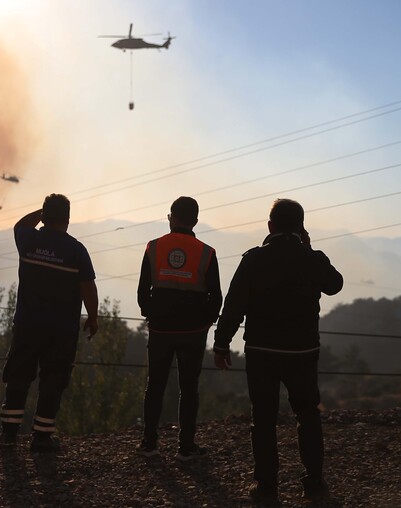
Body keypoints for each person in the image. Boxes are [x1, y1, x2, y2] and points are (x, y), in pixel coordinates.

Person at [213, 199, 343, 503]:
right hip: (302, 351)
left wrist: (221, 343)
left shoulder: (254, 259)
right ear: (301, 226)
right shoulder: (310, 258)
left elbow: (233, 306)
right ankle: (314, 484)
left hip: (262, 351)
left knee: (264, 418)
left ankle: (267, 487)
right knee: (308, 415)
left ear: (270, 226)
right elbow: (335, 284)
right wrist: (309, 251)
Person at [0, 194, 99, 452]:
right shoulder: (76, 251)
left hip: (27, 325)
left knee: (19, 376)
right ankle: (41, 437)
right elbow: (88, 287)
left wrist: (40, 213)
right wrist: (93, 317)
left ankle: (9, 434)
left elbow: (20, 225)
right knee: (53, 380)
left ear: (44, 216)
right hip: (61, 330)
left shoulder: (28, 240)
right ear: (67, 219)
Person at [136, 196, 222, 461]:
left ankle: (149, 444)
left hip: (160, 331)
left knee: (155, 386)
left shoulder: (153, 247)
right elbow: (216, 297)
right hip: (193, 333)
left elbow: (142, 292)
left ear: (171, 217)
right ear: (196, 220)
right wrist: (205, 323)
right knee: (189, 388)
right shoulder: (207, 253)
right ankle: (186, 447)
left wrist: (152, 315)